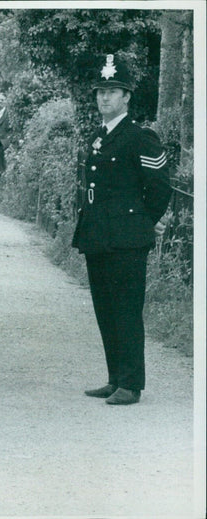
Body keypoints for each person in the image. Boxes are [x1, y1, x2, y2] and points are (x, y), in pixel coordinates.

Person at [72, 54, 172, 405]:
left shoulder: (139, 137)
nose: (104, 98)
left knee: (126, 310)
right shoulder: (99, 136)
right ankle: (115, 378)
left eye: (112, 91)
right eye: (100, 91)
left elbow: (160, 187)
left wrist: (145, 224)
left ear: (126, 97)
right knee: (105, 310)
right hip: (98, 236)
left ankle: (131, 384)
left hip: (127, 241)